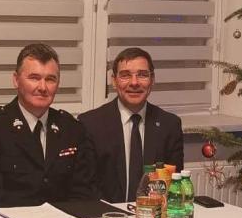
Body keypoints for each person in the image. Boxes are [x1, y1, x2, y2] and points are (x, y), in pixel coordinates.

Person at [0, 43, 96, 210]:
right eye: (34, 78)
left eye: (50, 79)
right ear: (16, 80)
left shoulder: (71, 129)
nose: (42, 87)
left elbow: (83, 195)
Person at [79, 47, 185, 202]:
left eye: (142, 75)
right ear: (114, 81)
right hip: (106, 214)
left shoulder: (169, 125)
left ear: (152, 80)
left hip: (154, 212)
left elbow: (174, 184)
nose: (134, 83)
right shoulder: (90, 124)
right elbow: (87, 187)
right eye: (125, 75)